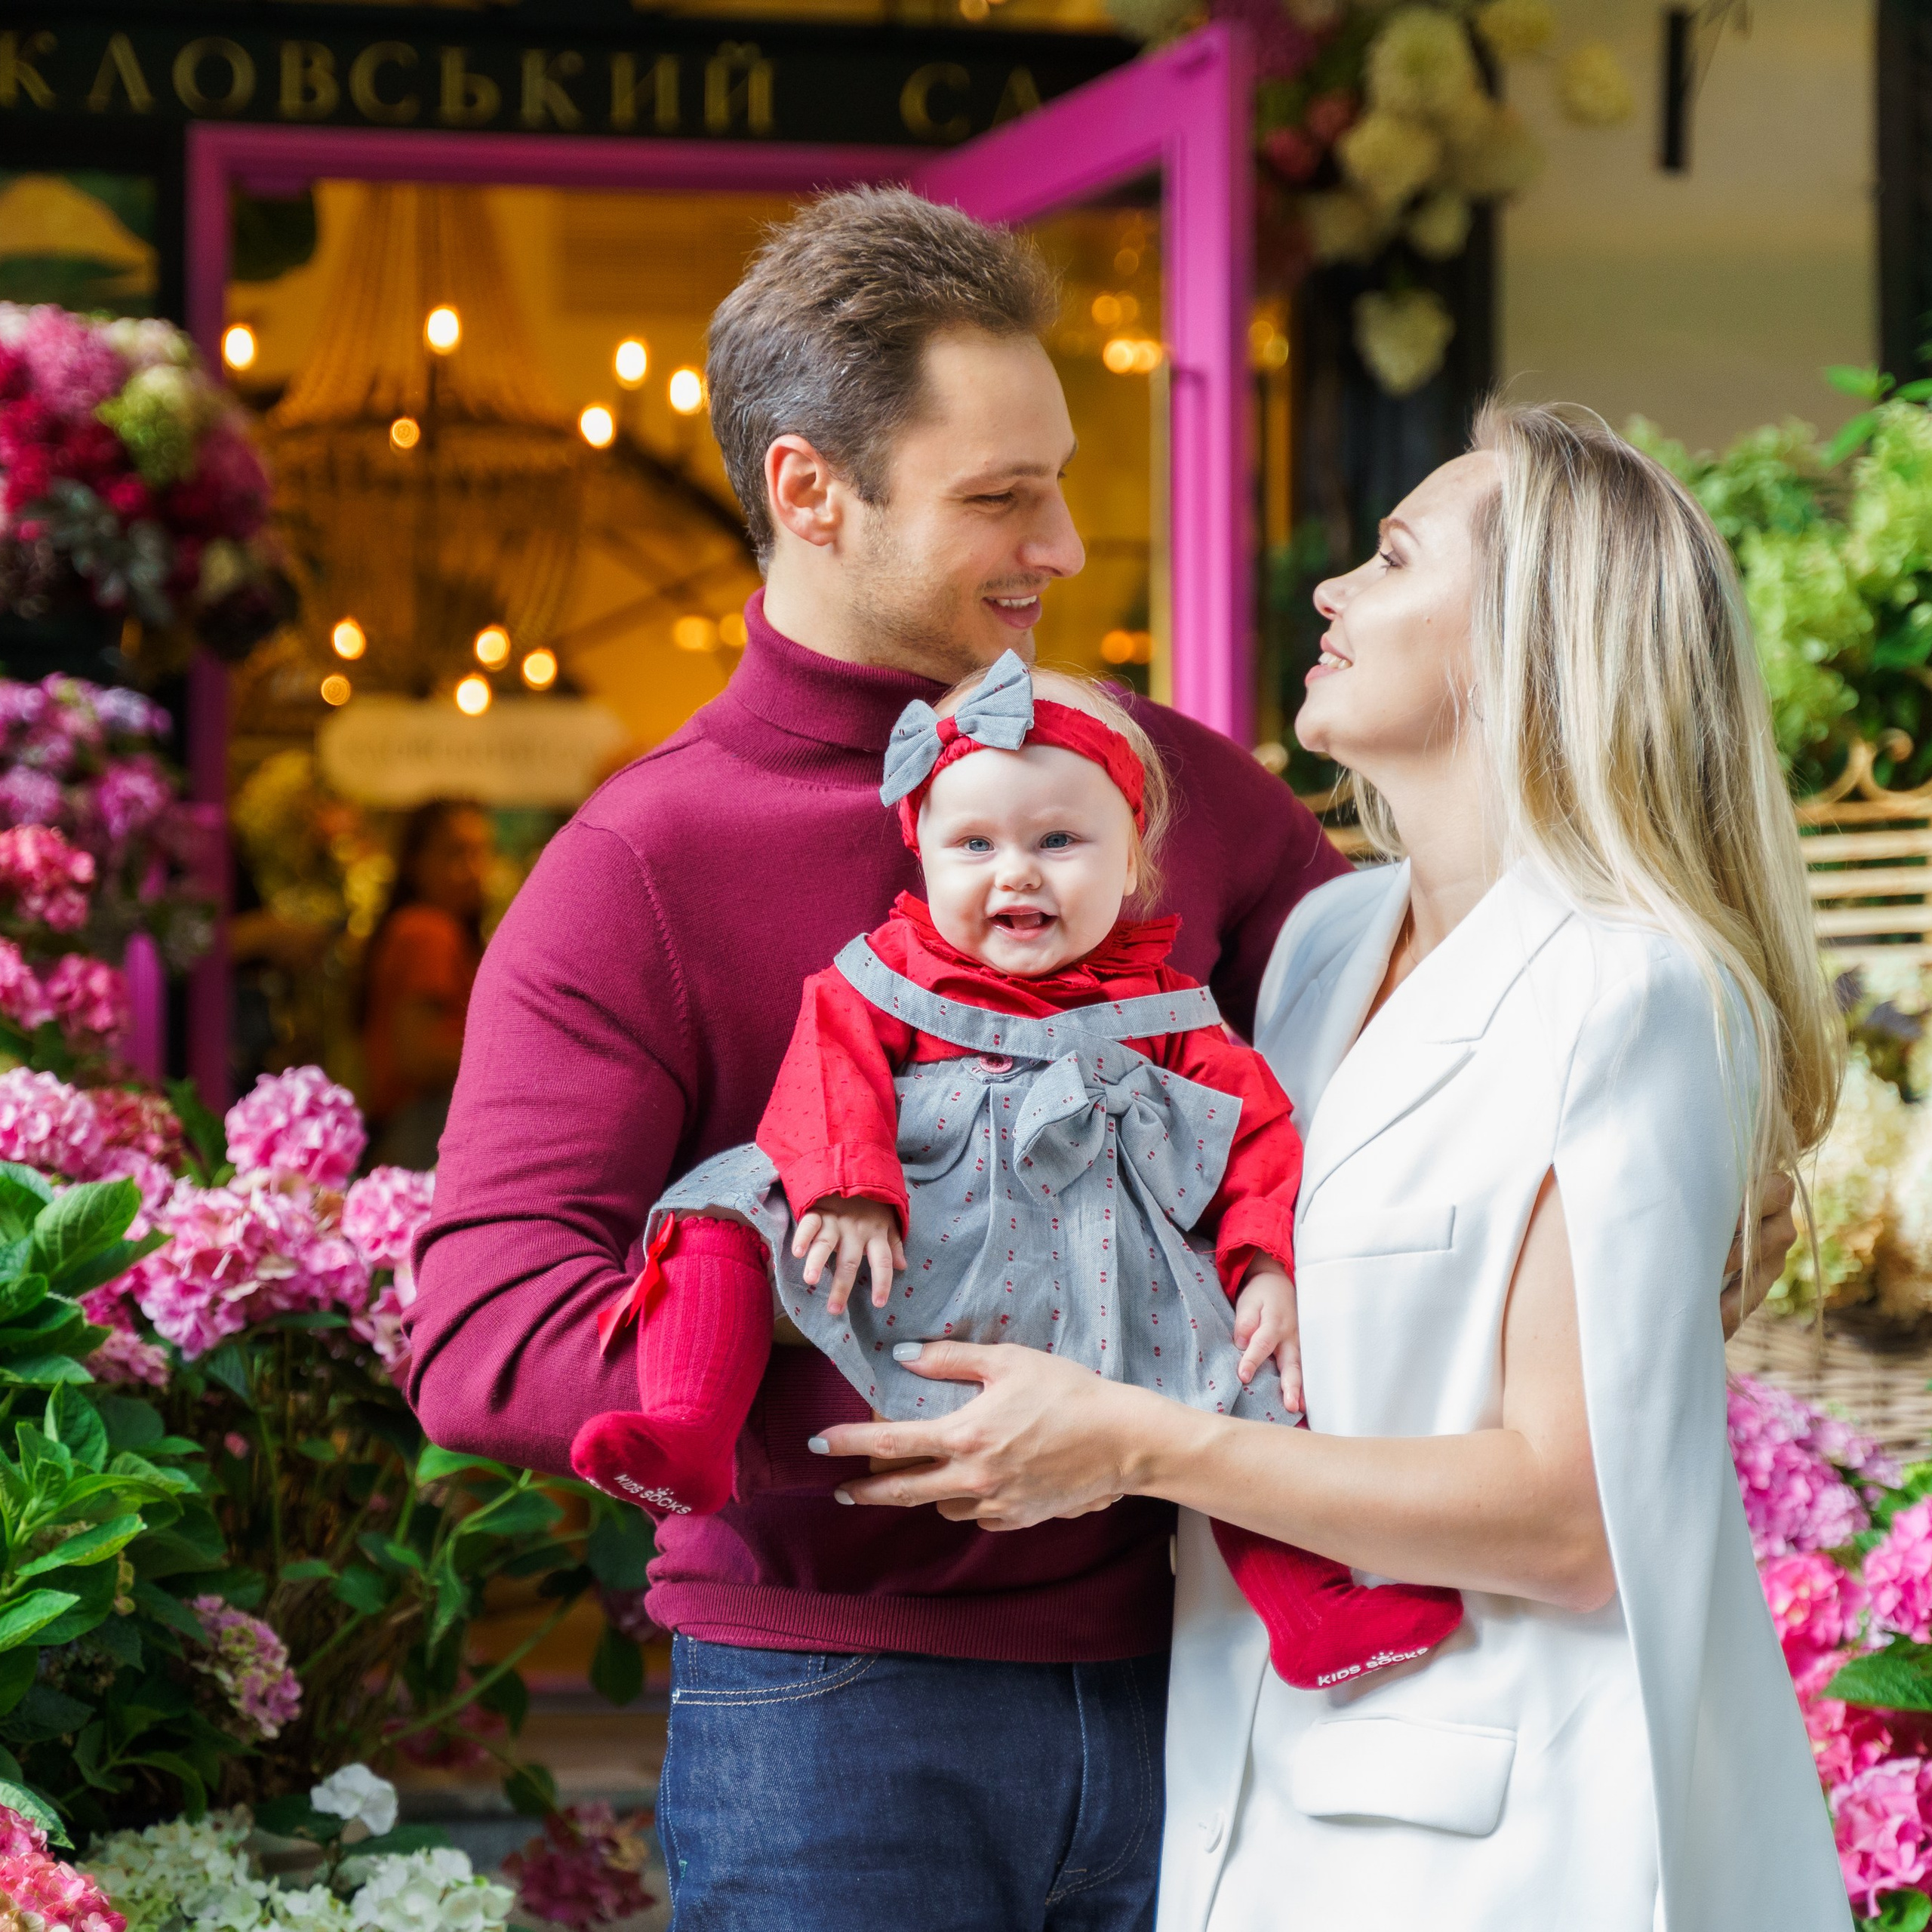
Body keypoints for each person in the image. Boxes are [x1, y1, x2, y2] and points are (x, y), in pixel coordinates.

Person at [404, 189, 1797, 1932]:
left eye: (1057, 477)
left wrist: (1697, 1139)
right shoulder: (641, 866)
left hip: (1215, 1692)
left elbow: (1463, 1051)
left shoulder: (1186, 797)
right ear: (807, 493)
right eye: (998, 495)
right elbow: (477, 1331)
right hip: (835, 1719)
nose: (1060, 543)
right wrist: (865, 1358)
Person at [812, 405, 1847, 1930]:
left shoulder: (1631, 991)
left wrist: (1129, 1443)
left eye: (1390, 555)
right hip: (1254, 1786)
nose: (1329, 589)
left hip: (1499, 1834)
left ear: (1527, 640)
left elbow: (1571, 1516)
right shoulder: (1322, 944)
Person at [569, 651, 1465, 1694]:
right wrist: (851, 1182)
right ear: (924, 859)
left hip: (1093, 1266)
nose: (1017, 872)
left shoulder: (1171, 1010)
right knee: (721, 1211)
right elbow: (829, 1059)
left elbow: (1256, 1131)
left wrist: (1263, 1259)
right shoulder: (892, 975)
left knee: (1241, 1376)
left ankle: (1315, 1608)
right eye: (975, 845)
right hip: (907, 1236)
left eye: (1060, 841)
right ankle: (689, 1428)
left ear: (1134, 862)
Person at [361, 798, 491, 1171]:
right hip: (423, 1126)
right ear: (415, 863)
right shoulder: (427, 931)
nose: (472, 870)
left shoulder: (422, 928)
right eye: (455, 854)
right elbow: (417, 1057)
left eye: (480, 854)